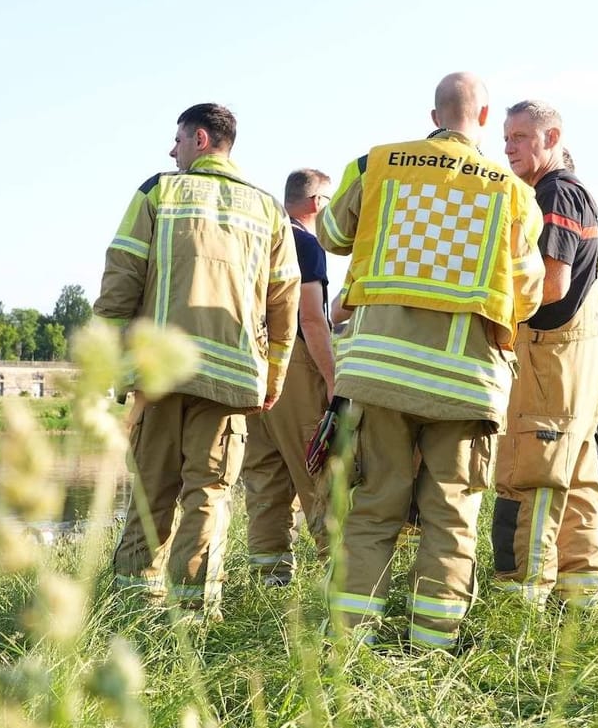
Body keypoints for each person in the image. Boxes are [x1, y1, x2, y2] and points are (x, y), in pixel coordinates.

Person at [317, 72, 545, 650]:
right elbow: (528, 291)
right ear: (485, 118)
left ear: (434, 113)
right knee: (451, 514)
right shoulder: (513, 192)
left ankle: (351, 643)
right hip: (464, 381)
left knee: (372, 509)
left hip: (379, 371)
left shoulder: (378, 164)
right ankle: (432, 650)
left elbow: (331, 233)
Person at [96, 103, 300, 619]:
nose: (172, 150)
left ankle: (134, 610)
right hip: (231, 380)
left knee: (150, 491)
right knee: (208, 494)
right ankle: (194, 616)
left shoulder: (158, 192)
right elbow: (285, 305)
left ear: (202, 140)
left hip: (159, 375)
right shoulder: (269, 209)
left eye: (179, 140)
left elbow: (120, 280)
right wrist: (272, 378)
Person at [492, 99, 598, 608]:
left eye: (520, 136)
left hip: (545, 360)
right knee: (578, 480)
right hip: (573, 362)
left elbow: (553, 284)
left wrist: (491, 308)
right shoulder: (573, 192)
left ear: (552, 137)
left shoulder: (553, 193)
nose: (508, 145)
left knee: (529, 477)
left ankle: (522, 604)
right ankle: (580, 600)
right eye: (506, 136)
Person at [241, 169, 336, 586]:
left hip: (251, 363)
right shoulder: (306, 243)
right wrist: (334, 381)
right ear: (316, 202)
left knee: (264, 482)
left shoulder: (258, 236)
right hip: (294, 361)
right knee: (317, 472)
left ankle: (270, 581)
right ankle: (340, 575)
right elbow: (312, 319)